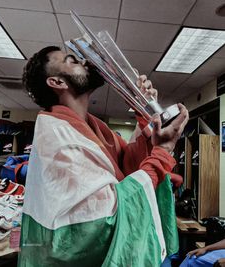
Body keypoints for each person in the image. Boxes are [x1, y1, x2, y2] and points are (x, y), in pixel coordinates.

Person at [18, 46, 189, 267]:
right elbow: (100, 221)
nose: (85, 62)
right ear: (57, 82)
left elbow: (127, 165)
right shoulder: (57, 137)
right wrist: (163, 153)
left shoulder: (91, 125)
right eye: (72, 61)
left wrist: (143, 110)